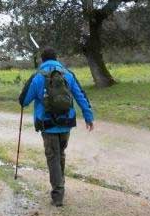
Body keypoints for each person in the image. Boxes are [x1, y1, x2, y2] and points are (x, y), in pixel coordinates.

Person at [18, 47, 94, 206]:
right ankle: (61, 183)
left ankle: (58, 194)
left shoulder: (38, 77)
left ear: (42, 60)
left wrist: (30, 81)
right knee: (60, 153)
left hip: (48, 125)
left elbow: (24, 101)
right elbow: (80, 95)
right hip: (66, 124)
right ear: (56, 58)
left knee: (53, 157)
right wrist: (88, 117)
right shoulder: (68, 74)